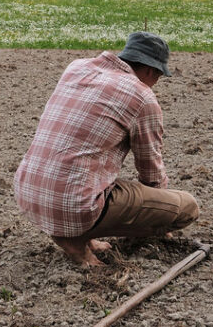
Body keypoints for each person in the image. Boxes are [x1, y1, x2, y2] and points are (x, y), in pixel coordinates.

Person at [14, 31, 199, 266]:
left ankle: (81, 235)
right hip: (72, 204)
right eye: (159, 77)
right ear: (151, 70)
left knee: (87, 168)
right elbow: (150, 170)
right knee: (187, 206)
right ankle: (74, 238)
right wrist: (160, 218)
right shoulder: (142, 96)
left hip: (28, 192)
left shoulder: (77, 68)